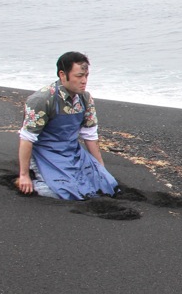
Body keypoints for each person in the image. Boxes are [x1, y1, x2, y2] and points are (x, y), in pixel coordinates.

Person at [17, 51, 120, 200]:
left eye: (86, 76)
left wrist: (101, 169)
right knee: (62, 192)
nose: (84, 81)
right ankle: (36, 178)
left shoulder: (85, 98)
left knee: (108, 185)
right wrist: (23, 175)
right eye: (79, 76)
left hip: (73, 151)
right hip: (46, 153)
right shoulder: (42, 100)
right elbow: (27, 138)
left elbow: (90, 136)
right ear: (62, 75)